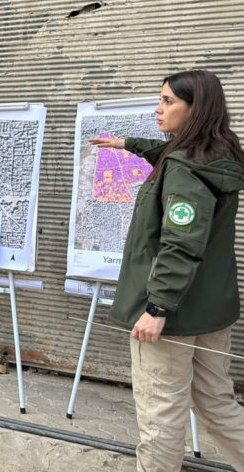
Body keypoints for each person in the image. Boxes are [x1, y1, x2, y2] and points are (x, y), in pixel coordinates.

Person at [90, 70, 244, 472]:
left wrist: (157, 309)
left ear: (197, 110)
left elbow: (180, 243)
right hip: (211, 310)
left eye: (169, 102)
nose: (158, 109)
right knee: (217, 404)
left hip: (171, 316)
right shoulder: (217, 155)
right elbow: (170, 156)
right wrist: (128, 144)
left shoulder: (184, 170)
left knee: (161, 414)